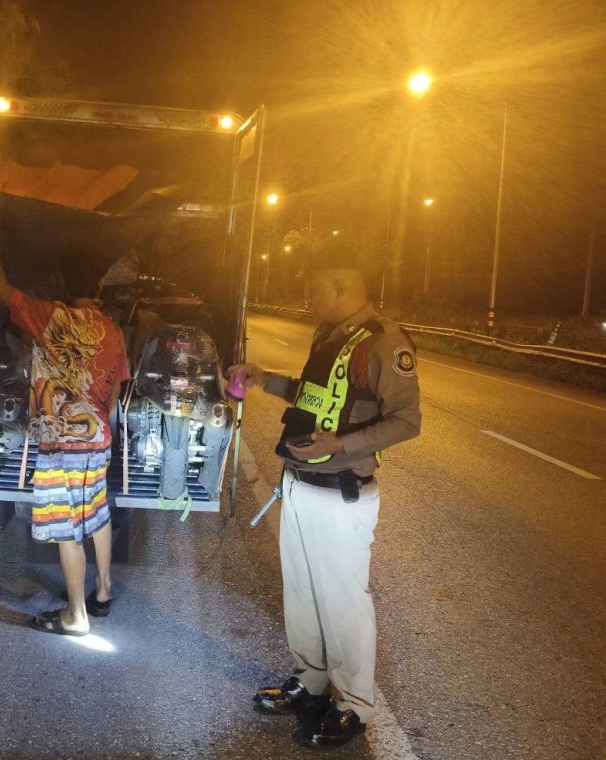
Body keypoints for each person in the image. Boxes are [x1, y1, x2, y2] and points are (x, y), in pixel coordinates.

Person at [228, 252, 421, 749]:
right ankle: (310, 682)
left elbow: (407, 421)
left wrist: (340, 444)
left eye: (314, 288)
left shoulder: (384, 342)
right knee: (303, 594)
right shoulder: (330, 336)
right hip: (299, 483)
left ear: (340, 285)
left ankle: (354, 706)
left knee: (343, 603)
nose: (309, 298)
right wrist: (264, 378)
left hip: (342, 493)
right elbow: (311, 396)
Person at [0, 196, 130, 637]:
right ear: (100, 284)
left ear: (63, 283)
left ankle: (76, 616)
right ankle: (103, 591)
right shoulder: (113, 330)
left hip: (61, 443)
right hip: (98, 440)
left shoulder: (50, 317)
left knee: (67, 528)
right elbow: (115, 395)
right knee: (95, 513)